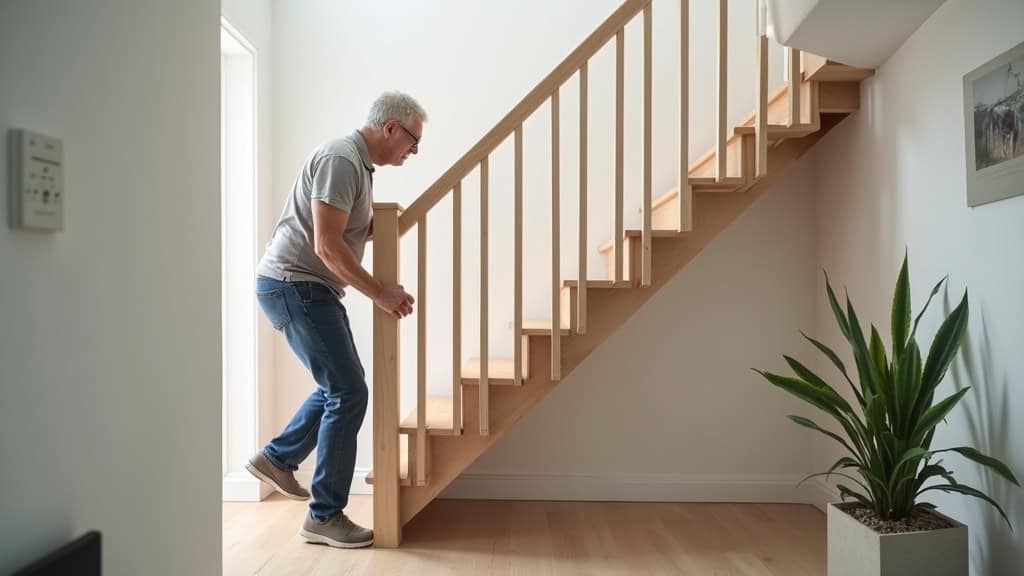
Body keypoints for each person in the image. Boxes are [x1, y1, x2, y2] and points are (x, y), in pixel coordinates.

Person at [246, 91, 424, 548]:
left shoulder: (358, 167)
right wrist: (381, 293)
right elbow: (327, 246)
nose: (414, 150)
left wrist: (380, 227)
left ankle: (278, 458)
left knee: (340, 388)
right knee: (348, 390)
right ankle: (324, 515)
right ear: (389, 128)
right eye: (412, 140)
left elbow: (343, 228)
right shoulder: (342, 159)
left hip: (306, 286)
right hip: (295, 284)